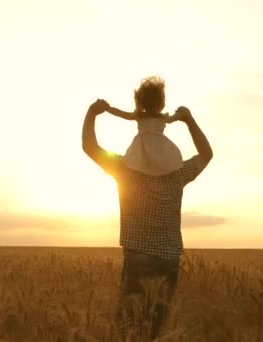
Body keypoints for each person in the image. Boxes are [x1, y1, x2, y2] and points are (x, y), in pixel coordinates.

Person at [81, 76, 214, 340]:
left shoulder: (124, 170)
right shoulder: (179, 173)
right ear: (162, 108)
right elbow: (206, 154)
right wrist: (188, 120)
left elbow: (89, 146)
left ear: (138, 109)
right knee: (157, 330)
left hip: (137, 256)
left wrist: (92, 113)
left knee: (129, 328)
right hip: (169, 259)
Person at [105, 77, 183, 177]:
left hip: (147, 147)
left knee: (143, 164)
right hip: (156, 147)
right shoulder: (148, 116)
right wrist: (181, 114)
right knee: (154, 163)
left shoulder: (147, 116)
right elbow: (121, 114)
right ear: (161, 102)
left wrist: (107, 108)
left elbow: (121, 114)